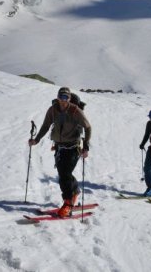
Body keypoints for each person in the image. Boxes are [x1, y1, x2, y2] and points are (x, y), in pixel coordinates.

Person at [28, 86, 92, 217]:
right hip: (59, 147)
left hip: (73, 147)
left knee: (64, 174)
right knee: (64, 174)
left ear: (69, 98)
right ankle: (74, 191)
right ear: (57, 97)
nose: (63, 100)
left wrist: (86, 146)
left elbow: (88, 127)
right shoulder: (52, 110)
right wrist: (37, 139)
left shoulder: (75, 111)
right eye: (61, 97)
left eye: (66, 97)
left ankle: (68, 202)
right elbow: (46, 125)